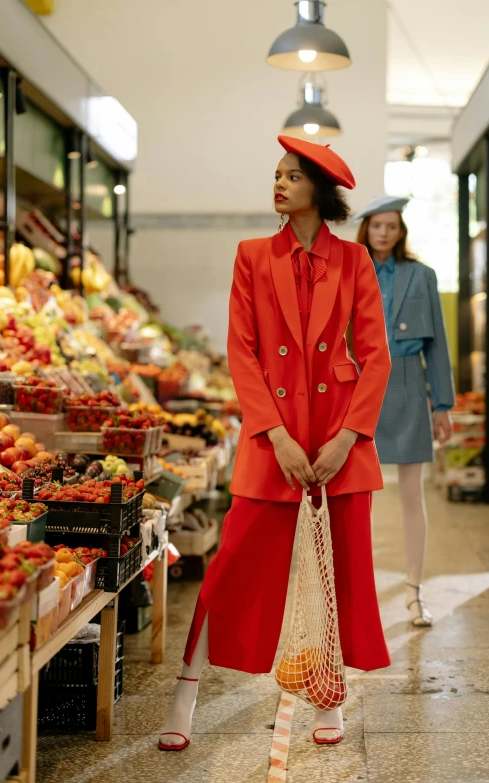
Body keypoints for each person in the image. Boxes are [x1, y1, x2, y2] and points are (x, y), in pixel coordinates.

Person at [159, 136, 391, 752]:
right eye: (277, 174)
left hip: (340, 438)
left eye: (293, 176)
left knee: (338, 572)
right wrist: (277, 436)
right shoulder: (252, 256)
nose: (279, 183)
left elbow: (375, 358)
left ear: (319, 189)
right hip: (273, 438)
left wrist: (347, 438)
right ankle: (186, 694)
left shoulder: (355, 262)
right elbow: (243, 352)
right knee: (231, 567)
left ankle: (328, 695)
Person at [355, 195, 455, 627]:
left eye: (391, 226)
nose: (384, 232)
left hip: (411, 385)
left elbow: (438, 345)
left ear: (400, 231)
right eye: (377, 225)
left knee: (413, 495)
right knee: (358, 499)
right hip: (359, 387)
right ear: (367, 229)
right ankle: (357, 596)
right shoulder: (348, 273)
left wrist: (443, 404)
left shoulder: (423, 275)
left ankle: (415, 593)